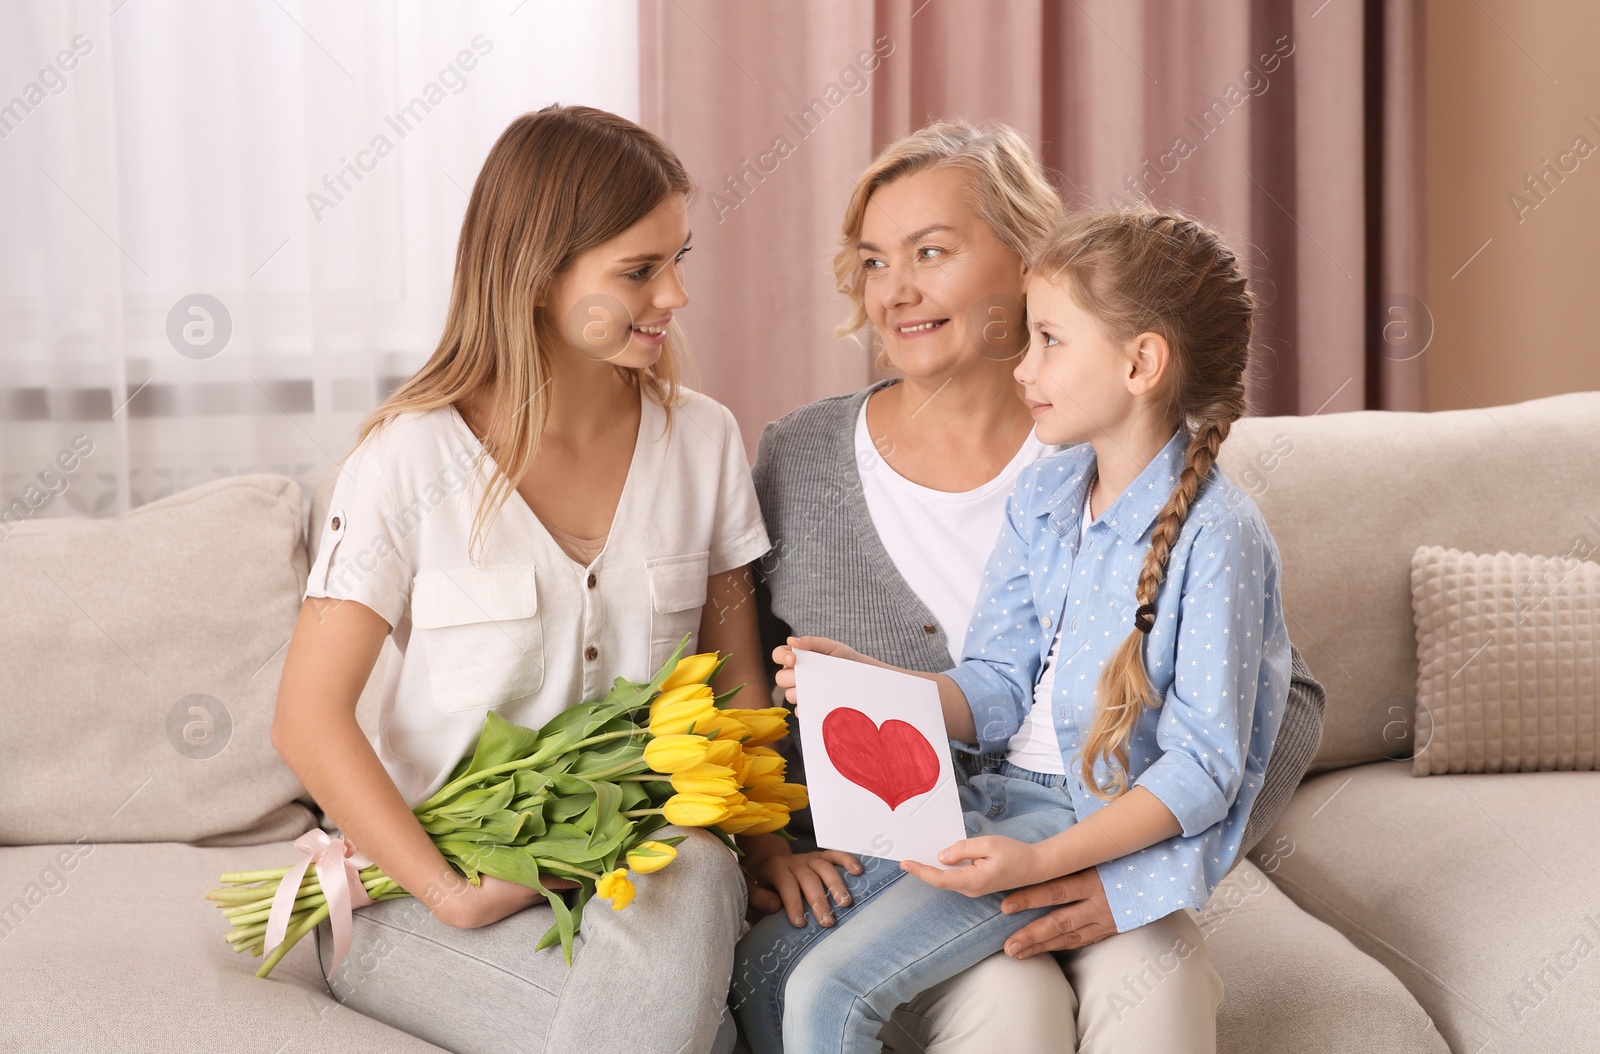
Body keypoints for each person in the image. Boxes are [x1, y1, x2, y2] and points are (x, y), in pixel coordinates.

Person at [742, 121, 1326, 1052]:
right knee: (876, 994)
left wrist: (1112, 875)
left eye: (929, 251)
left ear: (1024, 261)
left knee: (1155, 985)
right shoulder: (1016, 484)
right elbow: (990, 684)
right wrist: (862, 706)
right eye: (872, 261)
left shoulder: (1179, 502)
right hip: (962, 837)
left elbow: (1259, 720)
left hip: (1084, 837)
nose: (894, 290)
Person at [269, 104, 771, 1054]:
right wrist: (448, 894)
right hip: (419, 902)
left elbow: (734, 684)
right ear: (538, 277)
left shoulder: (703, 442)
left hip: (641, 885)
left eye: (678, 260)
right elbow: (307, 717)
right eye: (639, 271)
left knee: (700, 868)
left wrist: (776, 848)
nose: (675, 296)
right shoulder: (407, 461)